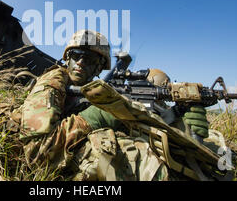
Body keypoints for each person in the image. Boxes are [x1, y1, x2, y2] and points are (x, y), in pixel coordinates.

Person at [13, 30, 211, 181]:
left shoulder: (94, 89)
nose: (80, 63)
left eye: (89, 59)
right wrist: (98, 115)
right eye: (76, 55)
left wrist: (179, 117)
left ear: (99, 67)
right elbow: (37, 153)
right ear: (67, 58)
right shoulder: (53, 81)